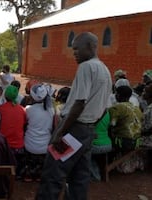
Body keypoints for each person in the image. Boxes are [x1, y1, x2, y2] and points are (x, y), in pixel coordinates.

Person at [36, 32, 112, 200]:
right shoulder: (105, 70)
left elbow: (79, 103)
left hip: (73, 130)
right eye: (73, 49)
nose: (74, 53)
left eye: (77, 48)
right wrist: (89, 127)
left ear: (91, 47)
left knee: (53, 174)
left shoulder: (86, 67)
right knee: (79, 178)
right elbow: (104, 109)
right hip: (87, 132)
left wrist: (60, 132)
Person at [23, 84, 55, 182]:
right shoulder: (51, 110)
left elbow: (24, 125)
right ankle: (39, 175)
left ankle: (28, 175)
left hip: (29, 145)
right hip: (45, 147)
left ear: (32, 96)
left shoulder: (28, 109)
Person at [0, 85, 27, 179]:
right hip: (18, 147)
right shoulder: (22, 110)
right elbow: (24, 124)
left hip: (3, 146)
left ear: (5, 96)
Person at [109, 85, 143, 152]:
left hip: (122, 142)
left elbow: (112, 124)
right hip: (137, 141)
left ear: (118, 95)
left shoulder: (117, 107)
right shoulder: (137, 108)